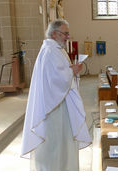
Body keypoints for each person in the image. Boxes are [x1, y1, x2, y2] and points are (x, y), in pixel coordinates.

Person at [21, 19, 91, 171]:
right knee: (54, 145)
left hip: (60, 105)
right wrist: (72, 71)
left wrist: (72, 70)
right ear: (54, 34)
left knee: (62, 144)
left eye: (68, 33)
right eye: (65, 33)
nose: (67, 37)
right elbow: (53, 80)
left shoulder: (56, 50)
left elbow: (60, 74)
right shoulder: (50, 51)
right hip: (53, 109)